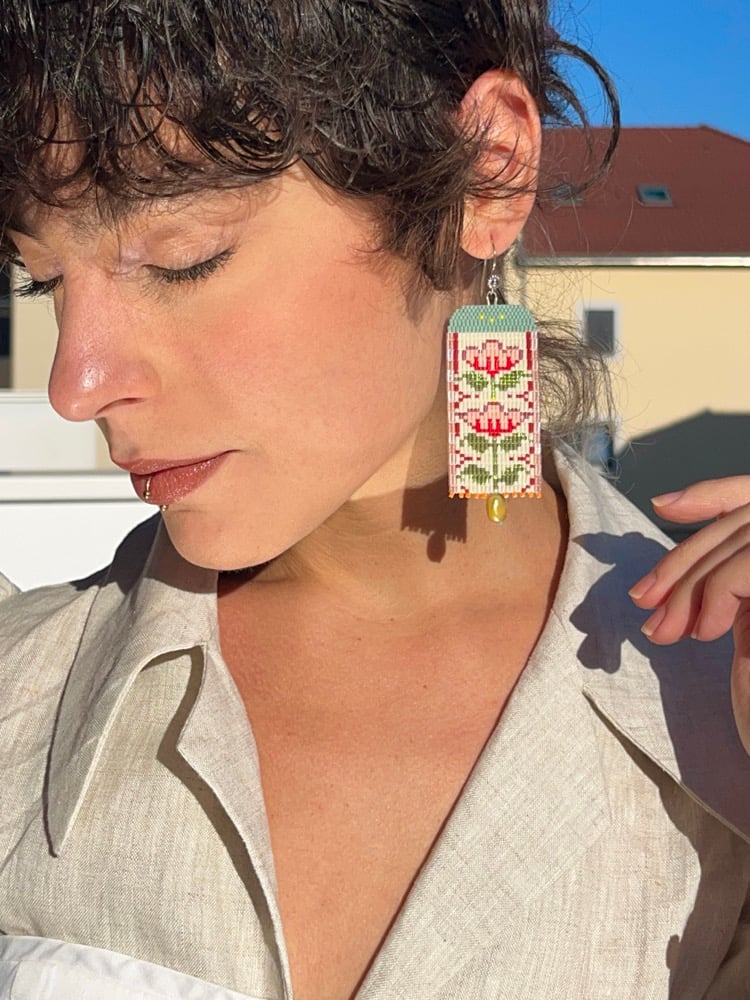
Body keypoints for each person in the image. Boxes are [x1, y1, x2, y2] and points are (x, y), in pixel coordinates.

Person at [0, 2, 748, 998]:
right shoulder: (20, 697)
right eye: (44, 281)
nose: (75, 384)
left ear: (486, 170)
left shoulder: (723, 726)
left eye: (183, 258)